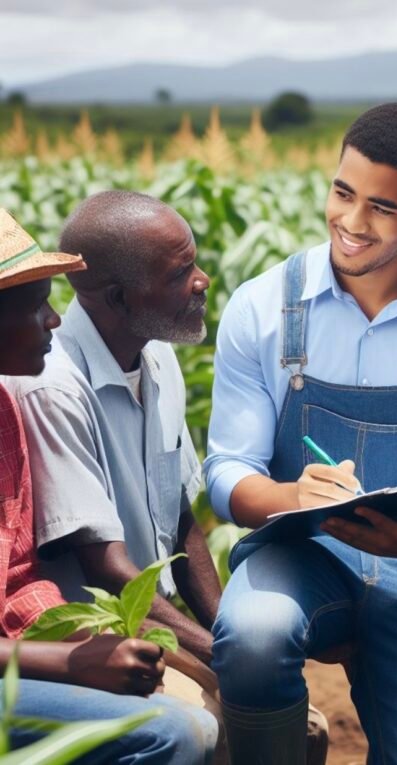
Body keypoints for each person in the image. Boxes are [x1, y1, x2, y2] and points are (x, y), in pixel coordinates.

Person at [204, 102, 397, 764]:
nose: (351, 223)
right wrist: (292, 496)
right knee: (253, 635)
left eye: (382, 207)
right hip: (300, 557)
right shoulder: (262, 307)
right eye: (342, 193)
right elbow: (228, 471)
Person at [0, 207, 215, 763]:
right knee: (181, 731)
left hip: (91, 635)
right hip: (79, 635)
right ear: (119, 298)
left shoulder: (5, 414)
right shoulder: (44, 390)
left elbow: (21, 587)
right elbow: (101, 565)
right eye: (35, 307)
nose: (53, 319)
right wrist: (72, 660)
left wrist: (78, 643)